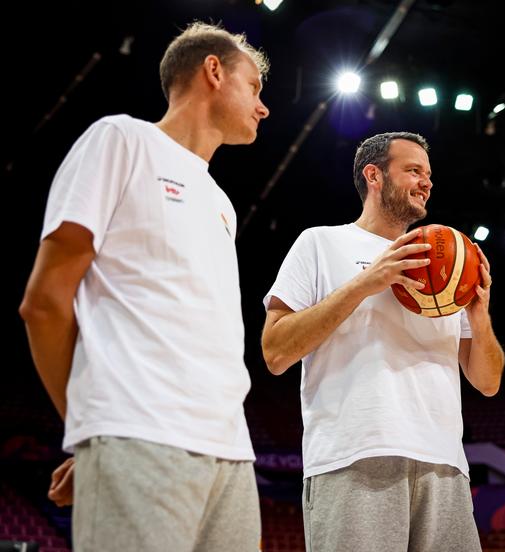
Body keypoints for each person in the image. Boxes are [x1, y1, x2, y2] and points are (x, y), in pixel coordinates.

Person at [19, 22, 270, 551]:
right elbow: (44, 303)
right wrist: (95, 431)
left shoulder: (221, 201)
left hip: (231, 452)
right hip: (140, 433)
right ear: (214, 71)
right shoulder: (121, 138)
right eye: (254, 87)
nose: (263, 106)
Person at [261, 132, 505, 551]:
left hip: (444, 463)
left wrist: (479, 319)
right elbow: (276, 350)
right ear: (373, 175)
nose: (427, 182)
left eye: (428, 174)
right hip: (354, 458)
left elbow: (487, 382)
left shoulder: (446, 260)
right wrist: (365, 283)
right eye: (413, 170)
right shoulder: (320, 242)